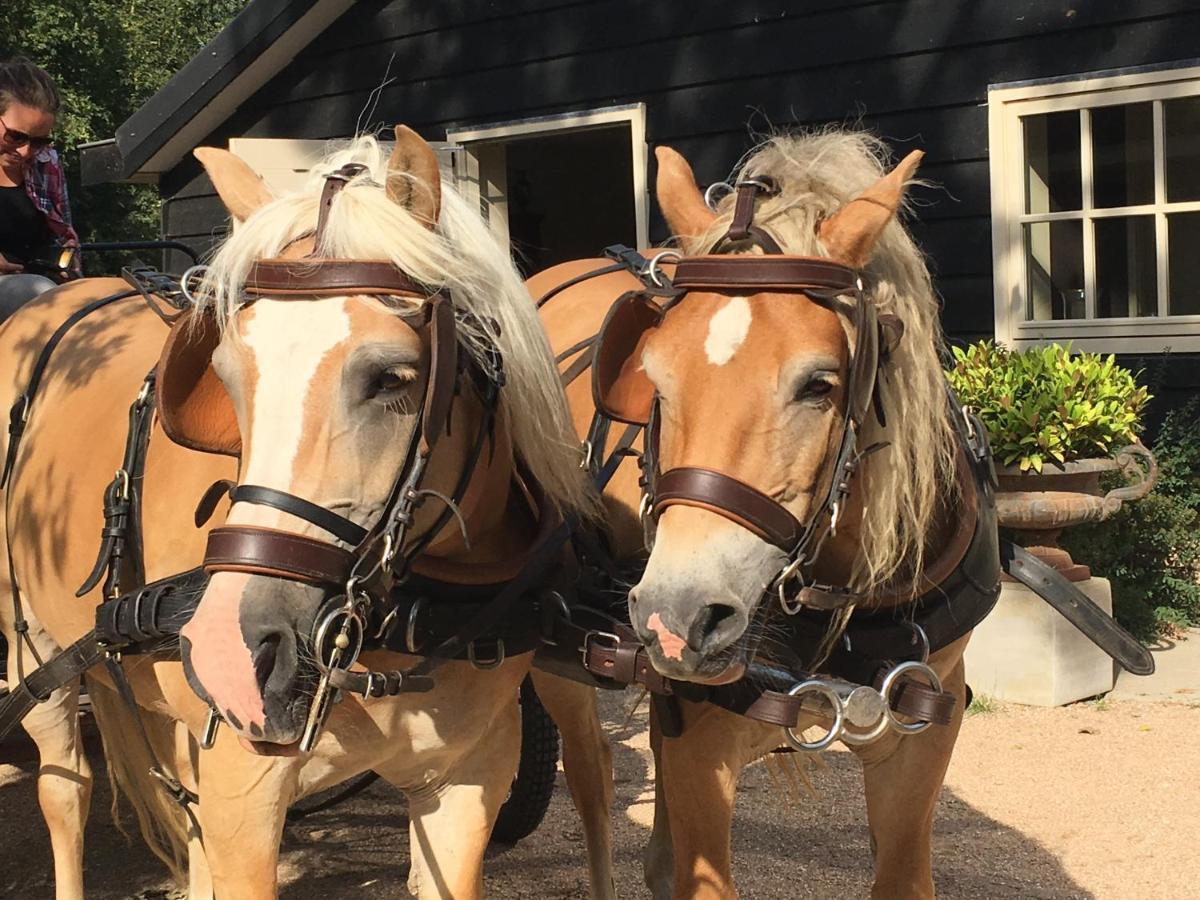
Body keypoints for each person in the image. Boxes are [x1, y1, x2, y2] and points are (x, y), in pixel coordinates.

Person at [0, 57, 78, 323]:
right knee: (39, 294)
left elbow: (65, 235)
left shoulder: (48, 163)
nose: (25, 151)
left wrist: (69, 261)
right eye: (16, 136)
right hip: (36, 296)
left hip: (45, 287)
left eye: (39, 141)